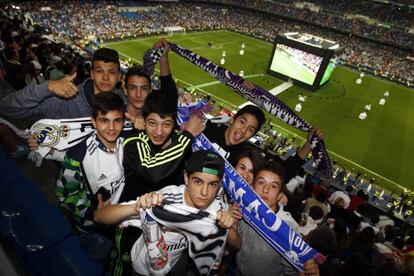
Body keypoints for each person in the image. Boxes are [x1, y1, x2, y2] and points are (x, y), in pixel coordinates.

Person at [94, 150, 236, 276]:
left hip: (177, 262)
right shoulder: (165, 200)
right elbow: (99, 217)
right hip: (145, 266)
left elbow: (237, 245)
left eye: (212, 184)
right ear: (186, 178)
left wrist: (227, 225)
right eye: (198, 182)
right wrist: (137, 208)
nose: (205, 192)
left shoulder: (216, 206)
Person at [55, 92, 126, 261]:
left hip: (121, 220)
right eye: (104, 120)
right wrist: (94, 213)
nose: (111, 128)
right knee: (96, 259)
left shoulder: (127, 143)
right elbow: (65, 195)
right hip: (93, 227)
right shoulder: (78, 155)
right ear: (93, 122)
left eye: (117, 121)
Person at [229, 162, 319, 276]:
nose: (265, 190)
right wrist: (233, 224)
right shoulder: (244, 206)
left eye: (273, 186)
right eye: (261, 182)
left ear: (279, 195)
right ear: (252, 186)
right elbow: (236, 244)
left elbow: (292, 272)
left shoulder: (287, 227)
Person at [0, 47, 125, 119]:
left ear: (119, 76)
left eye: (111, 72)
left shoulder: (125, 102)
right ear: (92, 74)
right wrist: (46, 87)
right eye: (99, 71)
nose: (105, 77)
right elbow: (6, 108)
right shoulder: (64, 99)